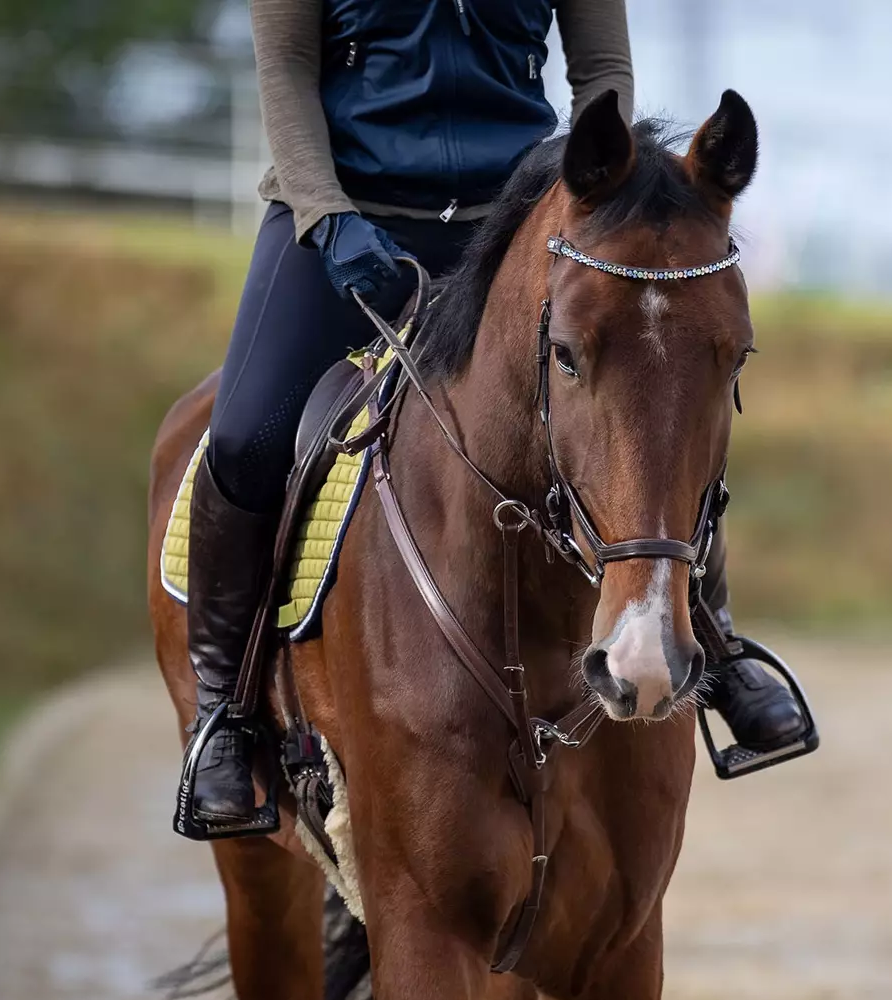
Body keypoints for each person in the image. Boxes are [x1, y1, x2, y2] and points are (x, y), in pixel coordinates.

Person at [182, 0, 808, 834]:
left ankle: (716, 643)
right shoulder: (328, 210)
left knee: (645, 394)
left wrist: (598, 187)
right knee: (246, 437)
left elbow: (604, 73)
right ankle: (224, 710)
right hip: (341, 213)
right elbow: (286, 71)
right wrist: (328, 218)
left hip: (520, 215)